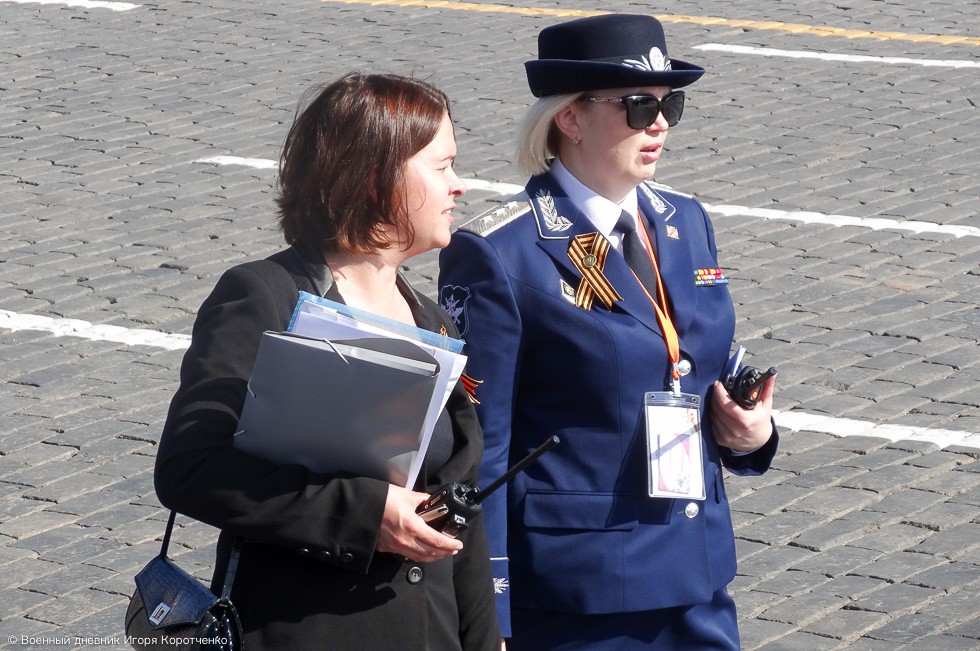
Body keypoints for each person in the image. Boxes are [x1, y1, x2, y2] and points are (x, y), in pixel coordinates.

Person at [438, 14, 778, 650]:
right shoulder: (502, 252)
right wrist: (491, 613)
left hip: (697, 575)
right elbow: (480, 447)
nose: (659, 124)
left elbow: (698, 361)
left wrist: (751, 431)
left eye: (669, 105)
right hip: (582, 593)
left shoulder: (685, 220)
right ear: (569, 117)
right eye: (637, 106)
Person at [155, 72, 499, 651]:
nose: (459, 185)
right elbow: (191, 468)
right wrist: (364, 514)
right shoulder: (265, 296)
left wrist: (483, 640)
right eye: (442, 166)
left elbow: (461, 505)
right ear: (376, 179)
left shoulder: (433, 319)